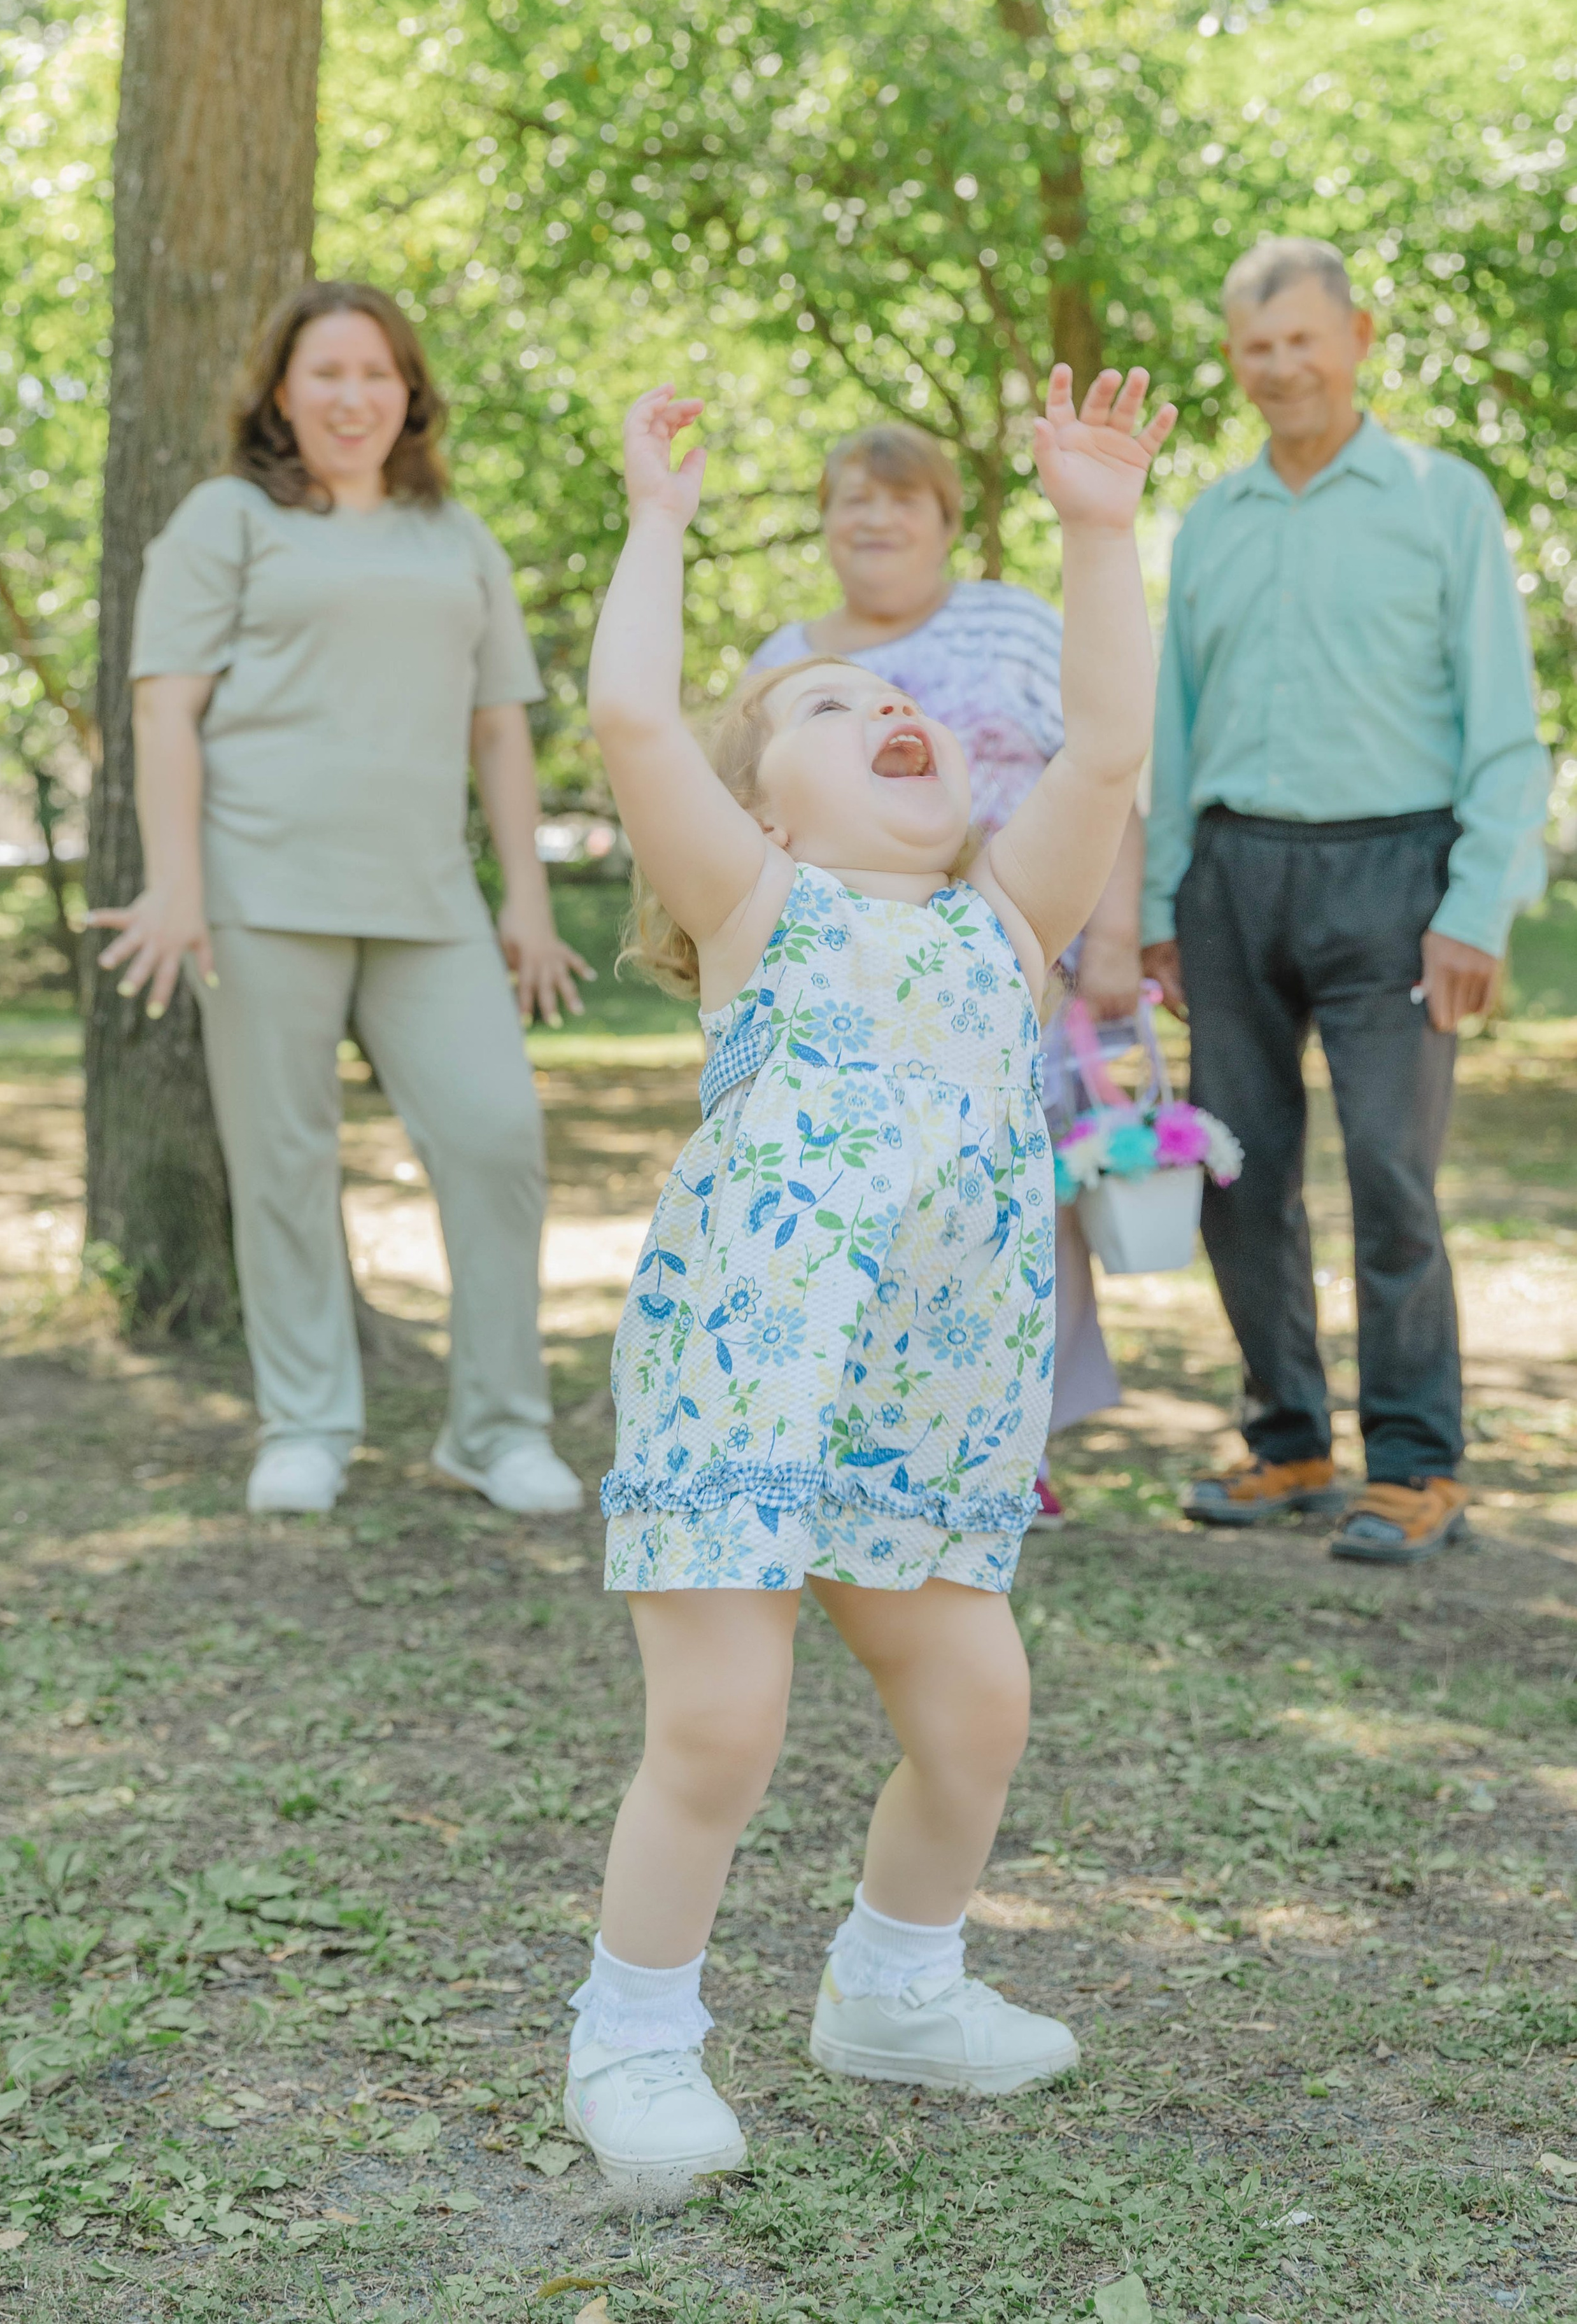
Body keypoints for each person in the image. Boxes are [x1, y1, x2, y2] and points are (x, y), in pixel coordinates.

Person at [567, 360, 1175, 2198]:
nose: (884, 702)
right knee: (720, 1724)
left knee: (977, 1709)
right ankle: (633, 2039)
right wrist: (657, 523)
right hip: (747, 1375)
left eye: (897, 695)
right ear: (763, 811)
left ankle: (897, 1984)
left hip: (929, 1403)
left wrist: (1096, 530)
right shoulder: (765, 911)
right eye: (828, 705)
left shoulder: (1007, 923)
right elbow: (632, 717)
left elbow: (1106, 748)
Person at [89, 280, 593, 1519]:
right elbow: (165, 708)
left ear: (409, 392)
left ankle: (498, 1429)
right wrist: (176, 883)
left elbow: (499, 728)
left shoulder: (454, 534)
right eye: (326, 373)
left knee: (496, 1138)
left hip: (431, 900)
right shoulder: (226, 519)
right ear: (280, 393)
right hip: (260, 889)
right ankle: (308, 1424)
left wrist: (526, 900)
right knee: (284, 1163)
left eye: (376, 373)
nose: (352, 396)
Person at [1142, 236, 1549, 1565]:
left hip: (1397, 876)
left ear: (1357, 338)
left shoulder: (1442, 500)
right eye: (1255, 348)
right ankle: (1289, 1442)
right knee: (1237, 1173)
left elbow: (1504, 725)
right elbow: (1172, 728)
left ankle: (1416, 1465)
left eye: (1302, 341)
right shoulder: (1210, 519)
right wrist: (1158, 903)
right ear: (1234, 359)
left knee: (1389, 1172)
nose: (1281, 368)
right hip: (1230, 875)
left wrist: (1476, 904)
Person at [749, 423, 1146, 1478]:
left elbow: (1103, 762)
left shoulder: (1010, 625)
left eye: (904, 499)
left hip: (1020, 960)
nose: (877, 518)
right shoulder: (782, 661)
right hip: (845, 997)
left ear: (946, 521)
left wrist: (1110, 936)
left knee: (1022, 1199)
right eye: (854, 498)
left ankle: (1018, 1440)